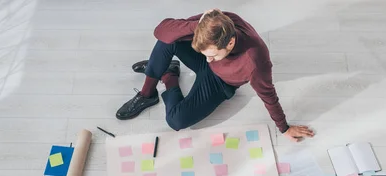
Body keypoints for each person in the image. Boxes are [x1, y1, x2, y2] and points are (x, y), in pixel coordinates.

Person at [115, 9, 314, 142]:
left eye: (213, 55)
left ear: (230, 43)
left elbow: (269, 96)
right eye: (206, 54)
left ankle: (169, 74)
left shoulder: (255, 60)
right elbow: (161, 31)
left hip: (219, 83)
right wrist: (197, 27)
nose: (209, 60)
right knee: (169, 40)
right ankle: (147, 94)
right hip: (209, 51)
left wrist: (284, 128)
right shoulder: (218, 22)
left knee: (176, 120)